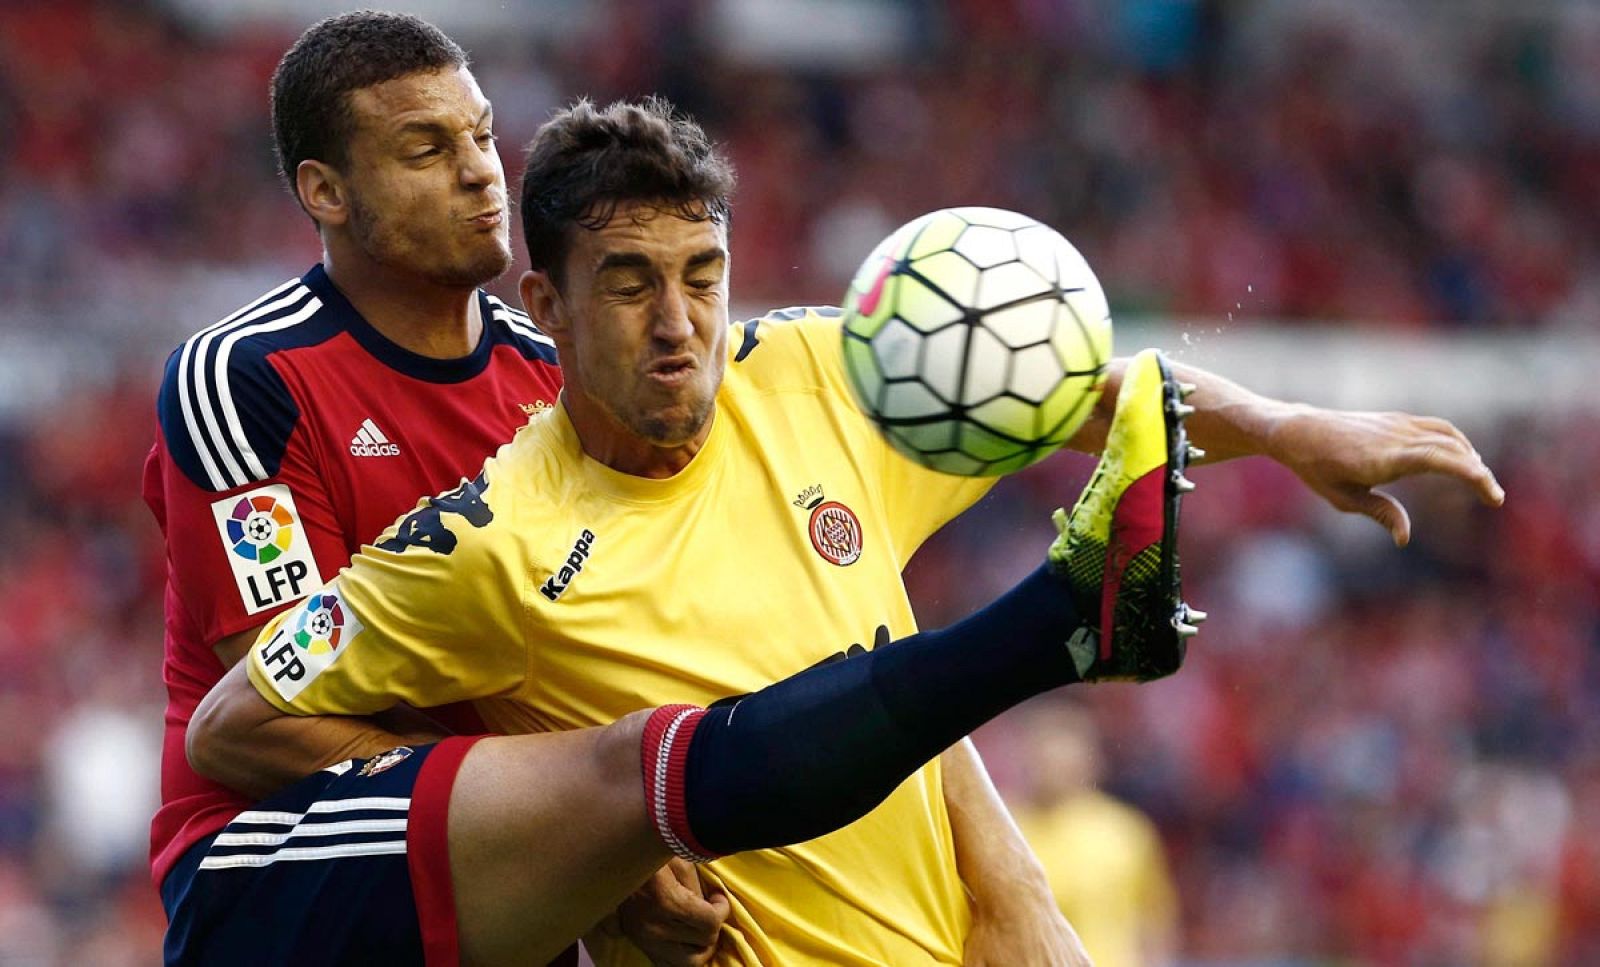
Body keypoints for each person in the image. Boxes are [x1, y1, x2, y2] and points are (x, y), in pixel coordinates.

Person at [189, 96, 1504, 967]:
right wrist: (572, 840)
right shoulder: (481, 540)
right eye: (631, 282)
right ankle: (1058, 619)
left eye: (703, 275)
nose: (680, 323)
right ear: (544, 296)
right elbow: (237, 721)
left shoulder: (820, 371)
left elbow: (1064, 377)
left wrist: (1286, 426)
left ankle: (1060, 618)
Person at [1010, 700, 1181, 967]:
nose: (1052, 762)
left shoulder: (1123, 831)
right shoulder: (1006, 831)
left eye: (1065, 749)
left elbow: (1154, 922)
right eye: (1044, 749)